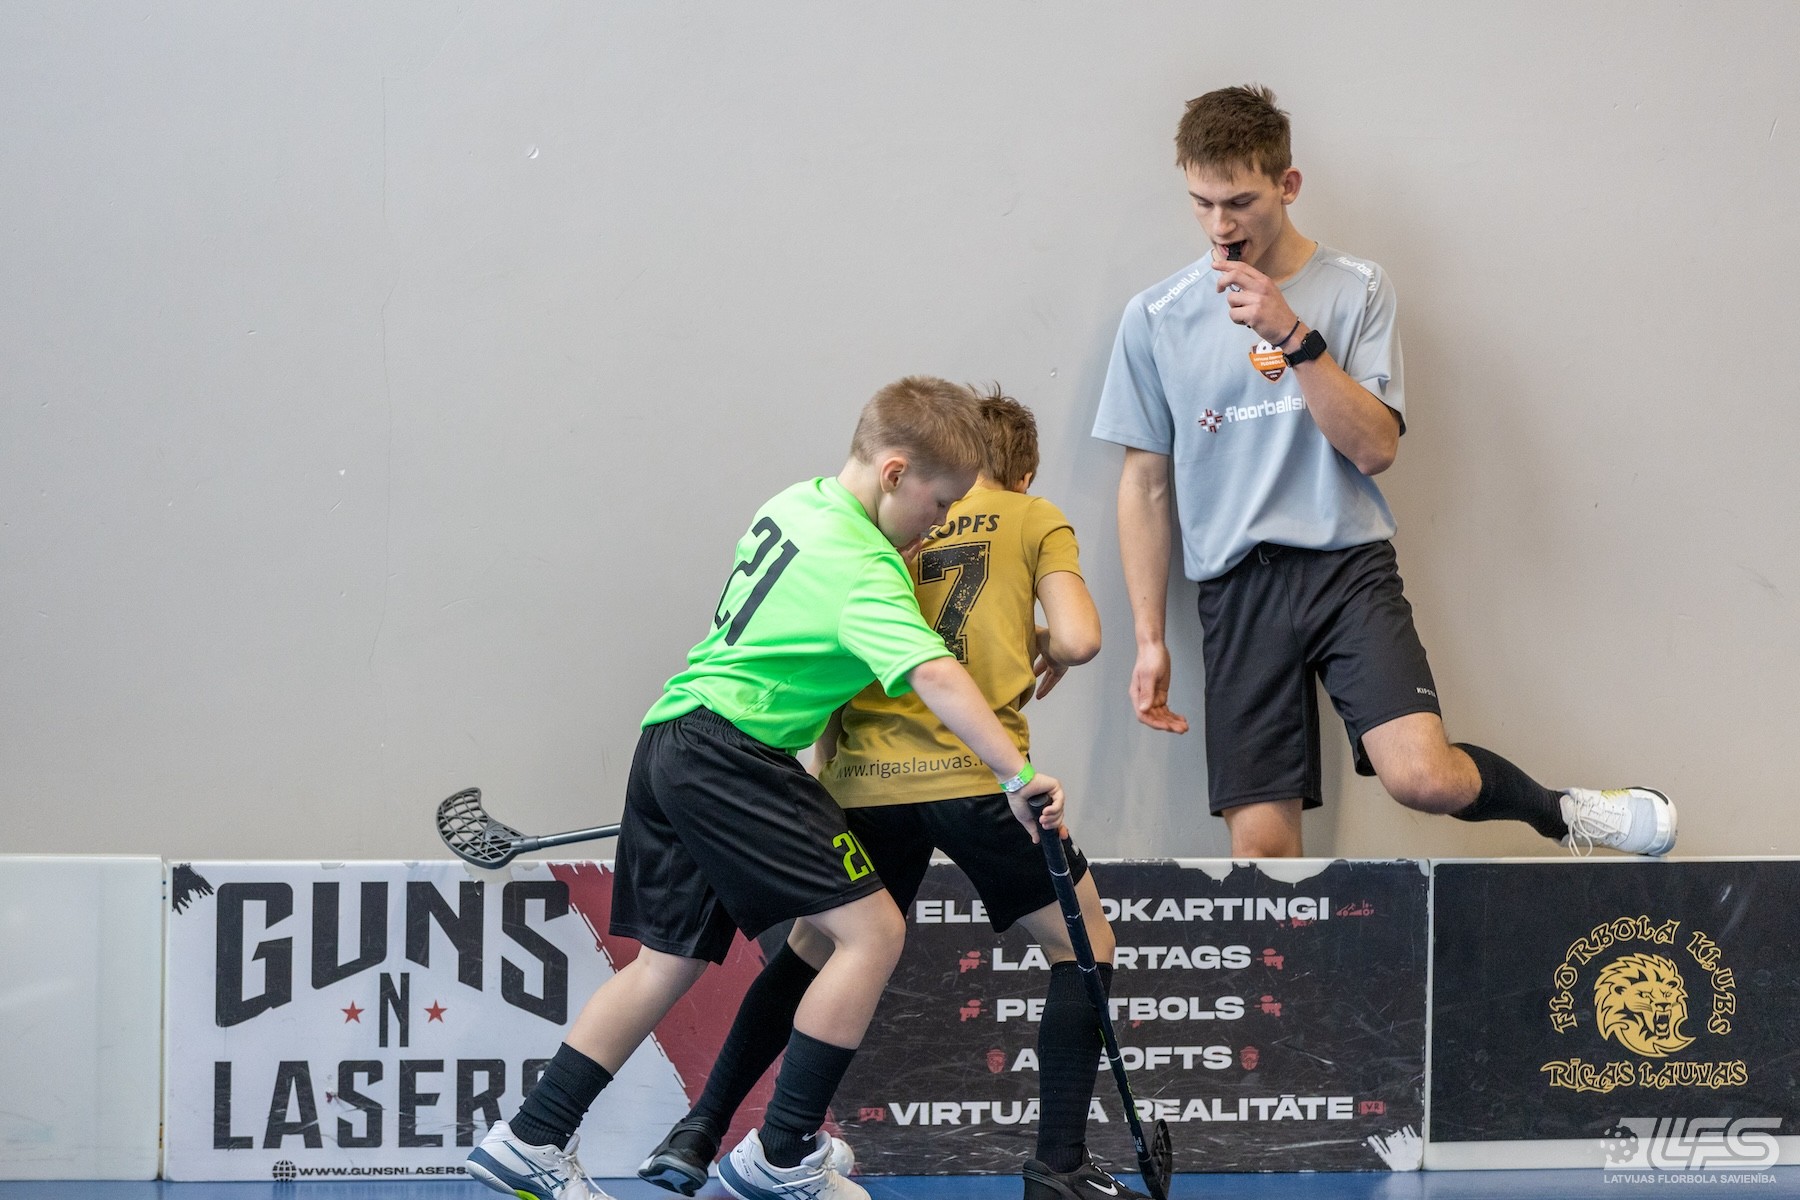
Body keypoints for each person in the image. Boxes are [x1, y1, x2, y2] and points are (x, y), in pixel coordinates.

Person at [466, 376, 1070, 1200]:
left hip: (672, 737)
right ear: (895, 473)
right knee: (872, 934)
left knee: (666, 965)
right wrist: (1018, 775)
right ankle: (782, 1153)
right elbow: (934, 674)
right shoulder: (864, 570)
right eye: (939, 503)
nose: (940, 522)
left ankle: (531, 1136)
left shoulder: (796, 505)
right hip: (735, 756)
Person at [1092, 84, 1676, 859]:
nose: (1221, 226)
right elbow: (1144, 485)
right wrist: (1148, 639)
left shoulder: (1359, 287)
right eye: (1203, 204)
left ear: (1288, 185)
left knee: (1422, 778)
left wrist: (1292, 334)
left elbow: (1374, 450)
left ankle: (1561, 812)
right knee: (1261, 855)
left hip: (1345, 567)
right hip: (1236, 587)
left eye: (1240, 202)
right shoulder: (1156, 316)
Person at [635, 387, 1151, 1200]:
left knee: (812, 951)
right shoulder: (1032, 516)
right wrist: (1042, 640)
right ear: (1020, 472)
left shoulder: (881, 531)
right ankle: (1059, 1164)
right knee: (1082, 944)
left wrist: (823, 768)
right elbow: (1082, 637)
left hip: (865, 776)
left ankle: (701, 1128)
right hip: (974, 776)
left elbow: (842, 661)